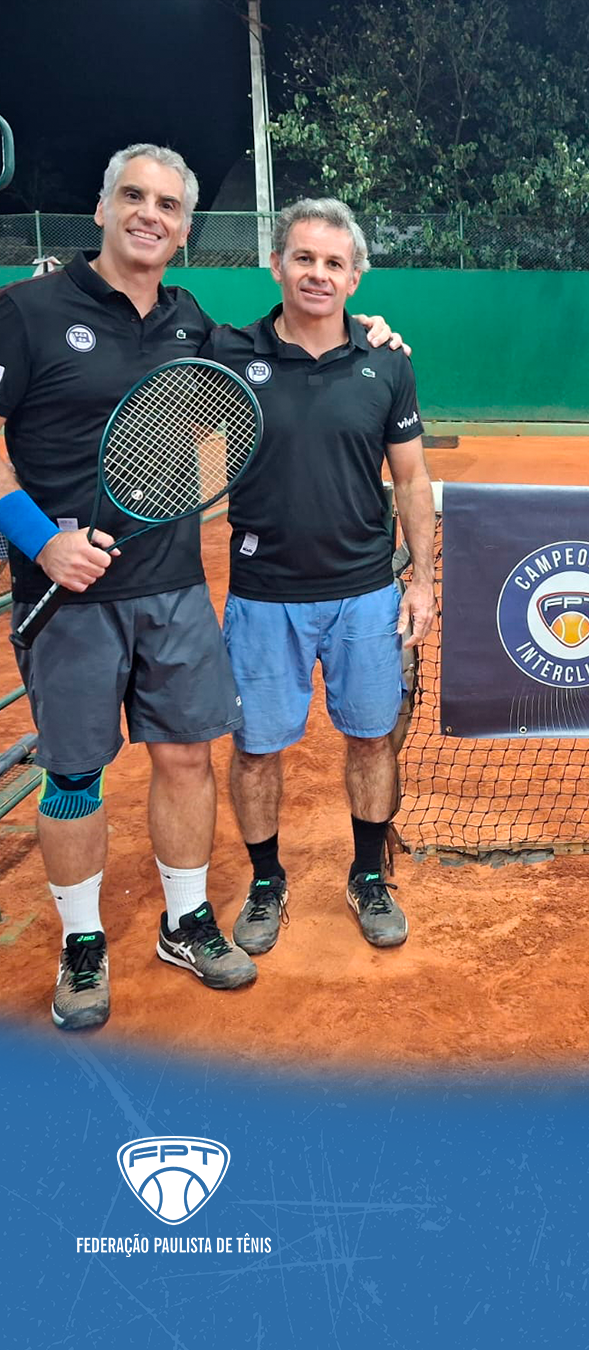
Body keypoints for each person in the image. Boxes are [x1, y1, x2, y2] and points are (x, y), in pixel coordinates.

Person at [0, 146, 399, 1030]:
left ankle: (184, 921)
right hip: (69, 593)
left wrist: (369, 329)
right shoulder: (27, 311)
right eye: (133, 197)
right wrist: (40, 540)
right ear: (100, 209)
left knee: (187, 758)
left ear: (184, 228)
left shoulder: (192, 325)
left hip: (174, 586)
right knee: (75, 775)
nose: (151, 214)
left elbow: (286, 355)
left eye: (169, 204)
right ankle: (81, 942)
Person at [202, 198, 435, 958]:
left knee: (372, 739)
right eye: (304, 258)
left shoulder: (387, 361)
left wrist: (421, 579)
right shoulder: (228, 353)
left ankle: (367, 876)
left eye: (335, 263)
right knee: (255, 750)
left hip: (365, 592)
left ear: (355, 278)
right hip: (263, 596)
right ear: (277, 265)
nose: (318, 274)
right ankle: (267, 881)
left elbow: (411, 479)